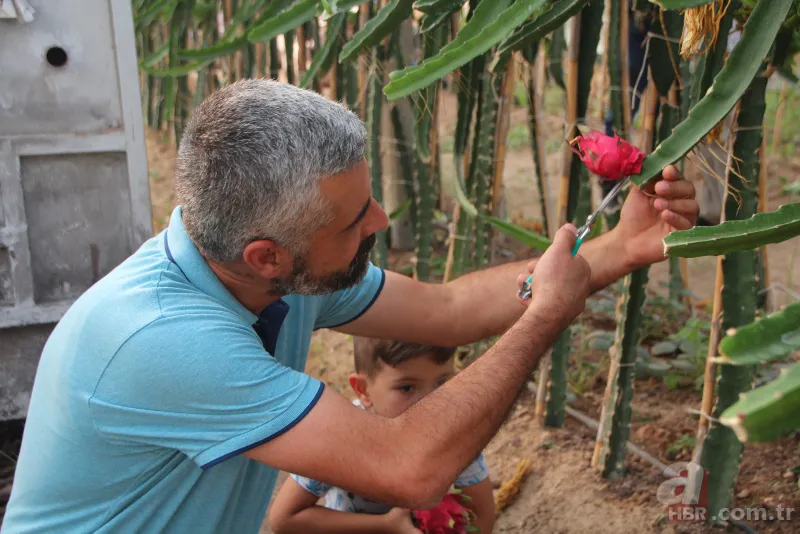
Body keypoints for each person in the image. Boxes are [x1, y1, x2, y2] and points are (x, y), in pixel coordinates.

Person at [2, 79, 698, 534]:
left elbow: (451, 309)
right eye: (352, 219)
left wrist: (622, 247)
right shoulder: (164, 339)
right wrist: (547, 315)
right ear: (266, 255)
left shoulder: (279, 279)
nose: (380, 217)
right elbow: (411, 468)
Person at [268, 339, 495, 534]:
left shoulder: (453, 432)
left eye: (441, 382)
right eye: (407, 388)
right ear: (363, 390)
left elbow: (482, 516)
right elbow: (285, 518)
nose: (431, 403)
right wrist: (385, 525)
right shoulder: (340, 436)